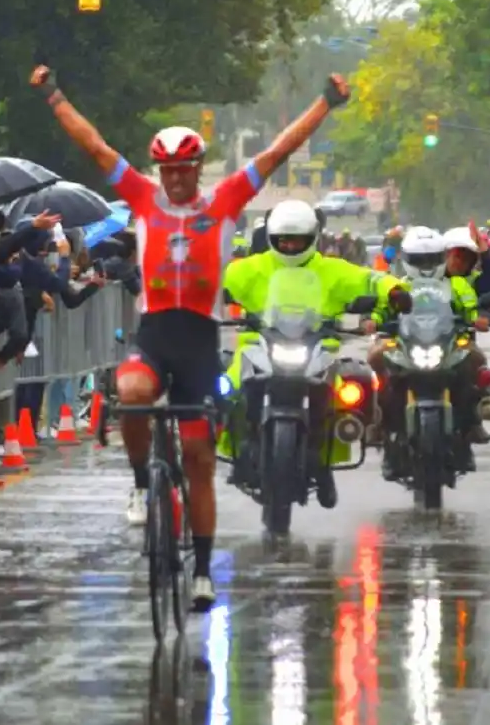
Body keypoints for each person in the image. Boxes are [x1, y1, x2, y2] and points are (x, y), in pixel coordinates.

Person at [32, 62, 351, 610]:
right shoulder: (140, 198)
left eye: (184, 168)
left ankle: (202, 571)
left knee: (200, 456)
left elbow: (276, 153)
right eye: (166, 169)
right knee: (131, 397)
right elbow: (97, 147)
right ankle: (139, 482)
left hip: (200, 342)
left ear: (199, 168)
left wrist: (325, 102)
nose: (175, 178)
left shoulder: (224, 202)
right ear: (157, 170)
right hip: (156, 334)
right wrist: (55, 96)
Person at [220, 200, 410, 501]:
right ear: (272, 237)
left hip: (316, 347)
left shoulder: (330, 269)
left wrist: (393, 290)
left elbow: (368, 279)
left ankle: (322, 464)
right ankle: (239, 448)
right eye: (284, 239)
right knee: (226, 389)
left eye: (297, 239)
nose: (290, 245)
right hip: (260, 345)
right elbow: (215, 279)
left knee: (340, 396)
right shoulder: (250, 268)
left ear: (312, 237)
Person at [366, 226, 490, 465]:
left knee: (478, 359)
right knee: (374, 358)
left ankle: (475, 421)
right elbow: (381, 309)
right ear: (407, 259)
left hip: (446, 343)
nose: (425, 265)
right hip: (406, 344)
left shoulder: (456, 284)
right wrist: (373, 322)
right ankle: (378, 421)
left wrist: (478, 318)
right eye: (419, 259)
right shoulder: (397, 285)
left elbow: (470, 306)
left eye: (431, 259)